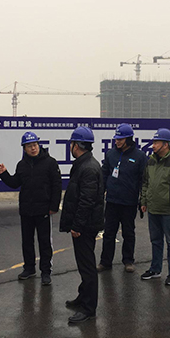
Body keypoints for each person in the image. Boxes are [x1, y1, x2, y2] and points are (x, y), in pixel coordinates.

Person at [0, 131, 62, 286]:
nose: (33, 148)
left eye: (35, 145)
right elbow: (15, 183)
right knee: (27, 241)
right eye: (29, 146)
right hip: (26, 210)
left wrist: (54, 206)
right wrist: (4, 174)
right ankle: (29, 268)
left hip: (44, 210)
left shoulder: (50, 163)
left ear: (39, 145)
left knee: (44, 242)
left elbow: (57, 185)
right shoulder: (22, 165)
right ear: (24, 149)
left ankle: (46, 272)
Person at [60, 126, 104, 323]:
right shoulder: (83, 164)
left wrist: (77, 226)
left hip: (85, 226)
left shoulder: (88, 168)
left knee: (87, 267)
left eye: (71, 143)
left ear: (76, 145)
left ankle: (88, 308)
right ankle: (82, 297)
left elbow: (86, 201)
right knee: (83, 263)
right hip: (85, 224)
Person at [140, 128, 170, 286]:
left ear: (166, 144)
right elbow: (145, 183)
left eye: (156, 142)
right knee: (156, 241)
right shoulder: (150, 162)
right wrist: (143, 201)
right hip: (153, 209)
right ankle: (155, 269)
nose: (153, 145)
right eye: (153, 142)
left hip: (169, 211)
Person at [98, 123, 147, 273]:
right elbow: (104, 173)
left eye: (120, 139)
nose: (117, 141)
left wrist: (142, 199)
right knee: (109, 233)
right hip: (112, 201)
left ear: (129, 139)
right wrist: (101, 192)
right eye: (116, 139)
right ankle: (105, 262)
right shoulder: (111, 154)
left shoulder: (139, 156)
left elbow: (143, 180)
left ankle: (128, 260)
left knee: (128, 233)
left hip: (129, 202)